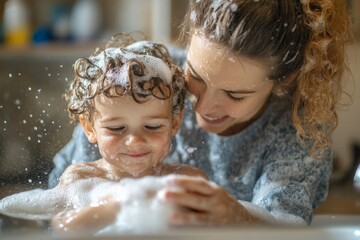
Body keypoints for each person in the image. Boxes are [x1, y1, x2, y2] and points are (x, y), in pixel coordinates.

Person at [49, 0, 352, 226]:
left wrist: (239, 218)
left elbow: (286, 229)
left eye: (235, 94)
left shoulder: (298, 132)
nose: (202, 108)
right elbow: (60, 201)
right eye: (195, 76)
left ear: (282, 82)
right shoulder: (149, 80)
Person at [48, 32, 207, 232]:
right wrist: (123, 203)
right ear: (89, 128)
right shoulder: (81, 178)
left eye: (152, 126)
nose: (134, 141)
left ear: (175, 123)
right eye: (116, 128)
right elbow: (62, 227)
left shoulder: (186, 179)